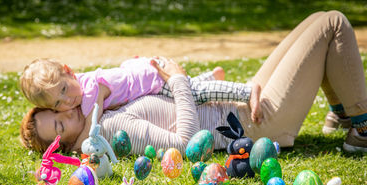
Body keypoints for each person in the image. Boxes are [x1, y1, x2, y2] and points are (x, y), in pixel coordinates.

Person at [20, 11, 367, 154]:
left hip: (241, 104)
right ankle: (361, 128)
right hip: (254, 124)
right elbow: (186, 144)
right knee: (333, 24)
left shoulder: (101, 104)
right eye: (61, 125)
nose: (68, 110)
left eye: (58, 109)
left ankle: (343, 113)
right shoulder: (110, 128)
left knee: (320, 19)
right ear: (63, 145)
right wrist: (180, 80)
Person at [20, 56, 256, 120]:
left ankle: (247, 92)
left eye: (63, 90)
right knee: (193, 89)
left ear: (69, 71)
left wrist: (77, 147)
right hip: (139, 71)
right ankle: (210, 77)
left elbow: (91, 126)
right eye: (57, 104)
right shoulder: (80, 84)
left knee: (193, 95)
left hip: (150, 80)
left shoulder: (90, 89)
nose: (67, 101)